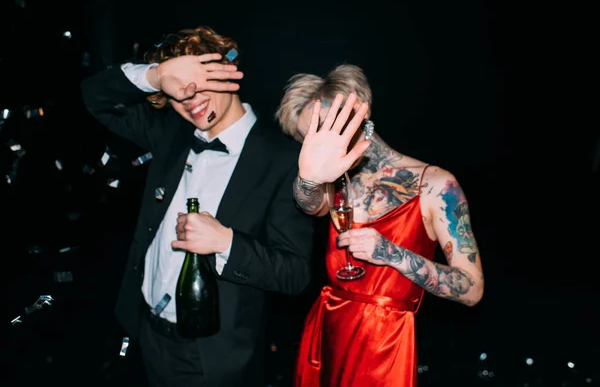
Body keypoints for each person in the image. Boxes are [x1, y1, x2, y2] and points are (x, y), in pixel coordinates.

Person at [81, 26, 314, 387]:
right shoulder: (170, 134)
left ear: (227, 74)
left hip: (213, 357)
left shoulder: (283, 160)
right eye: (179, 88)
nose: (189, 97)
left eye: (200, 80)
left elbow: (295, 274)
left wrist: (227, 243)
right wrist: (157, 76)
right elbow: (94, 96)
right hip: (148, 333)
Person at [275, 64, 485, 386]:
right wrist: (308, 176)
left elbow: (471, 289)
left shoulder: (436, 185)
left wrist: (391, 253)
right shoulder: (330, 185)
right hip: (328, 330)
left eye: (326, 128)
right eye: (309, 140)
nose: (320, 145)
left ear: (361, 111)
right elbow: (307, 203)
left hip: (386, 344)